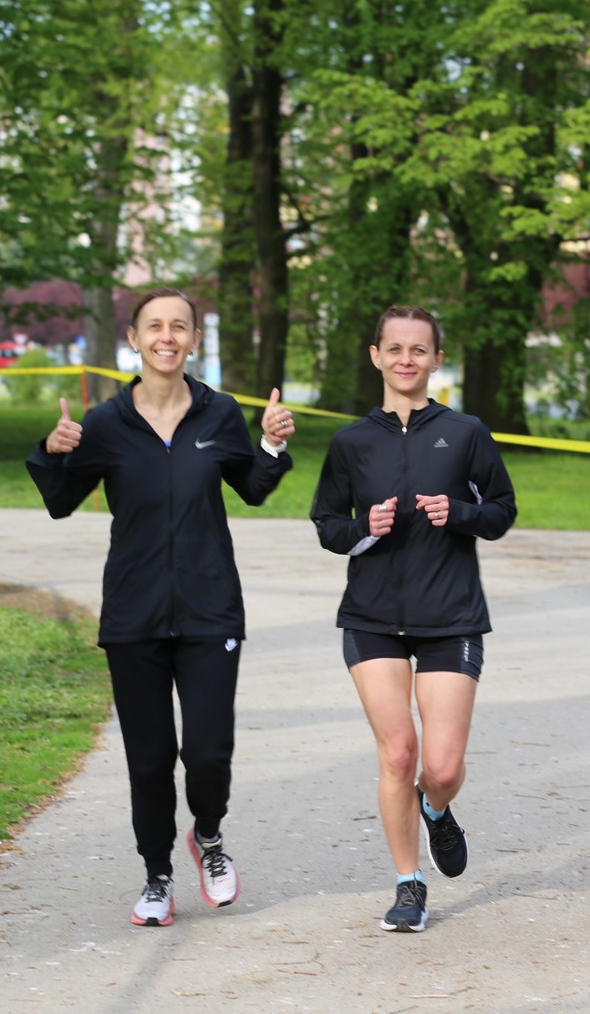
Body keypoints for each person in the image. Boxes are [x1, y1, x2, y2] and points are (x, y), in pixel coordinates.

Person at [26, 286, 295, 927]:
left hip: (209, 610)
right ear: (135, 338)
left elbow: (253, 488)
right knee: (148, 760)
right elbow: (62, 500)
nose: (167, 336)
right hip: (133, 615)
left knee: (207, 751)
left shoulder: (220, 414)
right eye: (155, 326)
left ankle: (207, 837)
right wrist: (53, 449)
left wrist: (273, 446)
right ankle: (156, 875)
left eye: (180, 327)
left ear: (194, 340)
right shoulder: (105, 424)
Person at [310, 305, 516, 933]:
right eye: (394, 348)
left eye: (418, 350)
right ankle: (408, 883)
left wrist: (458, 511)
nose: (406, 359)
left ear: (435, 360)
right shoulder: (351, 442)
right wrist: (360, 528)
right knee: (399, 754)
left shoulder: (467, 432)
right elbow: (326, 525)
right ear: (375, 355)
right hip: (371, 617)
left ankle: (436, 807)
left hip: (450, 615)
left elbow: (502, 512)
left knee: (442, 767)